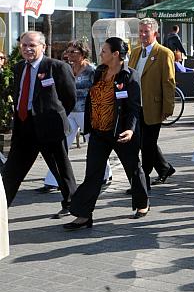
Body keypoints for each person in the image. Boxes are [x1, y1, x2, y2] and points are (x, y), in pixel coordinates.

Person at [64, 38, 149, 229]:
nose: (100, 54)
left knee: (133, 168)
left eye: (104, 51)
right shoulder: (99, 72)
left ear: (115, 54)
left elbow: (134, 107)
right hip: (98, 132)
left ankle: (142, 203)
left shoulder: (129, 76)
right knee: (93, 174)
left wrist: (130, 129)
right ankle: (84, 215)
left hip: (120, 132)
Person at [2, 31, 77, 218]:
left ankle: (73, 205)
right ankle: (2, 207)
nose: (27, 49)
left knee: (61, 170)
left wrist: (54, 117)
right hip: (24, 126)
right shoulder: (19, 67)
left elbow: (69, 97)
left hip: (49, 127)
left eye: (32, 45)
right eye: (24, 45)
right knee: (11, 172)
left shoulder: (56, 67)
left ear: (43, 47)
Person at [40, 40, 111, 193]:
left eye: (73, 52)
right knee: (61, 145)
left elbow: (99, 92)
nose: (69, 54)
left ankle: (106, 173)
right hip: (69, 112)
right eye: (68, 51)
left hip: (87, 112)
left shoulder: (92, 70)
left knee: (94, 144)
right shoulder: (66, 68)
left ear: (83, 54)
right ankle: (53, 180)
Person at [128, 18, 177, 190]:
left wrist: (168, 107)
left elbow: (169, 82)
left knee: (147, 145)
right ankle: (164, 168)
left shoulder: (164, 53)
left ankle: (143, 181)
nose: (142, 35)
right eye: (140, 31)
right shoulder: (134, 52)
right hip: (135, 106)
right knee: (142, 142)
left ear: (154, 33)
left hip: (153, 106)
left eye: (145, 32)